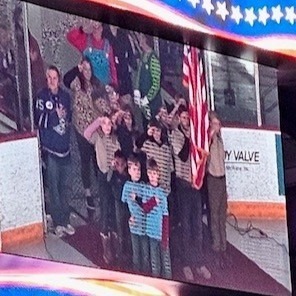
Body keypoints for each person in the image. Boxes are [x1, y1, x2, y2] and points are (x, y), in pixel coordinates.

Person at [63, 57, 106, 221]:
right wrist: (77, 67)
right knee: (85, 160)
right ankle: (88, 193)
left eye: (89, 70)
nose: (87, 73)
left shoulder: (96, 85)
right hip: (81, 128)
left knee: (97, 160)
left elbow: (101, 103)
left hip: (94, 128)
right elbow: (65, 79)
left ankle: (101, 190)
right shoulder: (76, 83)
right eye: (85, 69)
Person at [34, 65, 75, 238]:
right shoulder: (41, 97)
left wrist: (63, 117)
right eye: (49, 77)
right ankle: (58, 222)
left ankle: (65, 220)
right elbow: (39, 120)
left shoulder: (65, 96)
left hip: (65, 149)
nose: (51, 80)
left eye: (54, 77)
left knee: (65, 187)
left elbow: (69, 119)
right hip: (50, 150)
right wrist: (54, 116)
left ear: (59, 79)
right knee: (54, 189)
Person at [171, 105, 211, 280]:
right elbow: (183, 155)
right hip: (182, 184)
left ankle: (199, 262)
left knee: (197, 225)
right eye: (184, 118)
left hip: (195, 184)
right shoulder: (176, 135)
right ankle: (187, 263)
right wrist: (191, 138)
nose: (186, 120)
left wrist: (196, 136)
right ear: (180, 119)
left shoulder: (196, 134)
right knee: (186, 225)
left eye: (188, 117)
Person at [84, 114, 121, 264]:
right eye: (104, 124)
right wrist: (97, 121)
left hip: (114, 176)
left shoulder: (115, 140)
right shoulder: (98, 138)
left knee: (114, 208)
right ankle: (106, 245)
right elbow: (87, 134)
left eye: (109, 124)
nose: (107, 126)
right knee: (105, 208)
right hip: (103, 175)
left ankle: (116, 242)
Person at [136, 158, 172, 279]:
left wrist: (165, 236)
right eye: (150, 173)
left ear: (158, 175)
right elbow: (145, 208)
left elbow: (165, 215)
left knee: (165, 261)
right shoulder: (146, 190)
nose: (152, 176)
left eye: (154, 174)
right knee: (154, 261)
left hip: (161, 232)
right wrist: (153, 201)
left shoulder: (161, 193)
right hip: (151, 232)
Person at [121, 154, 150, 274]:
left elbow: (146, 205)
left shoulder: (144, 186)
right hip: (134, 225)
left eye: (138, 169)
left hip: (145, 225)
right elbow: (123, 203)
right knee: (136, 252)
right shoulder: (127, 186)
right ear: (129, 171)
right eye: (134, 169)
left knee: (145, 253)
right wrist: (129, 217)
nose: (137, 172)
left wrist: (137, 198)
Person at [207, 111, 228, 269]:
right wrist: (210, 133)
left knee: (222, 215)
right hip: (213, 179)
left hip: (222, 179)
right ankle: (216, 249)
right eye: (215, 123)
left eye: (218, 124)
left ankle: (223, 247)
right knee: (214, 216)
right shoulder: (209, 141)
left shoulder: (220, 140)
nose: (218, 126)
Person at [66, 20, 117, 86]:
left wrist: (115, 86)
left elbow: (113, 67)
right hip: (90, 86)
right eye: (93, 26)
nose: (96, 29)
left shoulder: (108, 46)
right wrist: (82, 28)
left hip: (104, 87)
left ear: (102, 28)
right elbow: (70, 37)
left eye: (98, 26)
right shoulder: (85, 40)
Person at [134, 33, 162, 127]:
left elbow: (156, 84)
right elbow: (138, 74)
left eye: (141, 38)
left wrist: (148, 99)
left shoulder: (153, 59)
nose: (140, 41)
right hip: (143, 103)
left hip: (153, 104)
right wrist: (137, 90)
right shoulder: (143, 56)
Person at [108, 149, 130, 261]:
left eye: (121, 164)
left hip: (128, 205)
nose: (119, 167)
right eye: (117, 164)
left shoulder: (128, 176)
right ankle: (120, 252)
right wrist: (112, 169)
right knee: (119, 227)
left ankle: (128, 252)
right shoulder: (114, 175)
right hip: (117, 203)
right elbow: (108, 181)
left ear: (125, 164)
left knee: (128, 228)